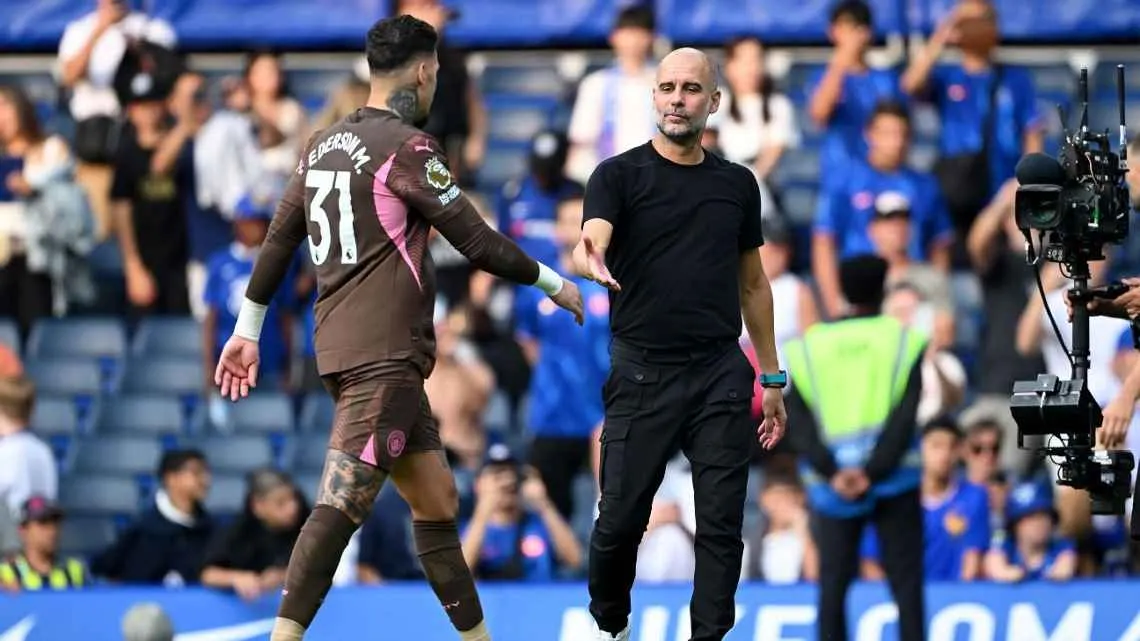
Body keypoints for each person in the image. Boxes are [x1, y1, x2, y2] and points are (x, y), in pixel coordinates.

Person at [212, 15, 584, 641]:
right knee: (341, 500)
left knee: (437, 501)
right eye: (435, 72)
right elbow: (477, 241)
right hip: (384, 354)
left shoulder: (323, 143)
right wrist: (555, 282)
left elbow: (278, 240)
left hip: (346, 346)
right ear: (423, 71)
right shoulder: (407, 147)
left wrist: (247, 329)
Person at [574, 47, 787, 641]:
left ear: (713, 102)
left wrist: (770, 378)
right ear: (653, 96)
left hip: (720, 372)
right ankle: (609, 626)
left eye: (691, 89)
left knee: (721, 526)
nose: (676, 98)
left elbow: (753, 283)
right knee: (618, 521)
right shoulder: (616, 175)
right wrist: (588, 254)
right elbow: (592, 236)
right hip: (642, 373)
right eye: (666, 86)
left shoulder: (738, 185)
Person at [783, 255, 925, 641]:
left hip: (833, 487)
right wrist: (873, 470)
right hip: (893, 480)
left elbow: (799, 419)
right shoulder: (903, 340)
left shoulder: (809, 347)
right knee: (906, 586)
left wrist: (834, 471)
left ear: (841, 291)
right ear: (883, 290)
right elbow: (905, 416)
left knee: (833, 587)